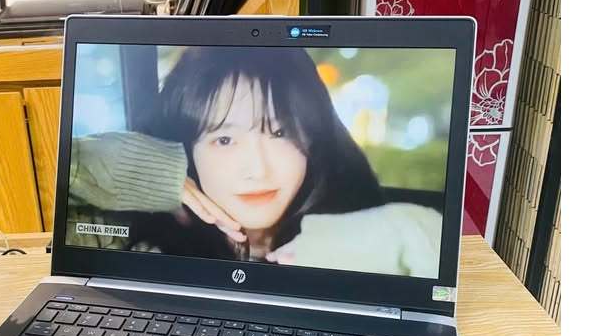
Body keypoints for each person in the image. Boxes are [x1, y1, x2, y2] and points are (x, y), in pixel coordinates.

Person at [66, 45, 442, 277]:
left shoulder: (375, 233)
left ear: (312, 136)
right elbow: (64, 176)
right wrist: (152, 171)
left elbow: (429, 245)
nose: (258, 170)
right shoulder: (134, 237)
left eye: (280, 133)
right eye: (224, 139)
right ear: (184, 150)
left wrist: (335, 246)